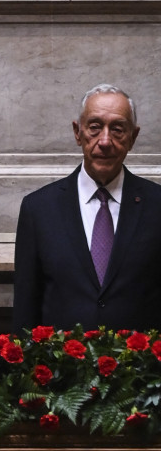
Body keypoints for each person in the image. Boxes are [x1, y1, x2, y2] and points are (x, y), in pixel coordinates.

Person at [13, 84, 161, 329]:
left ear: (133, 138)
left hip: (140, 364)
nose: (105, 141)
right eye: (94, 127)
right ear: (77, 132)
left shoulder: (156, 205)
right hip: (61, 363)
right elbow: (26, 306)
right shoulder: (38, 209)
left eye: (117, 129)